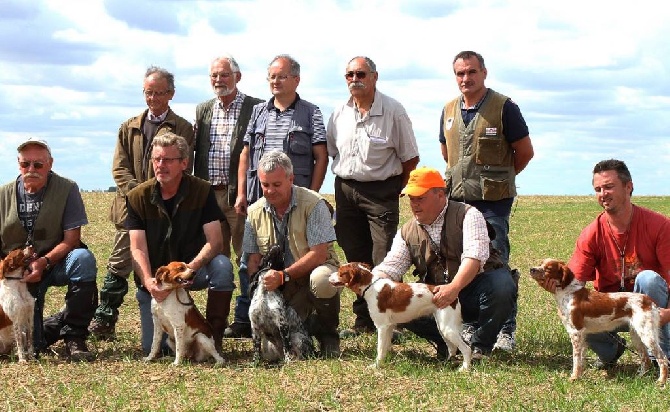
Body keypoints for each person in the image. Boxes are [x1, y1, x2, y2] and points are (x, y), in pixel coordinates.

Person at [89, 66, 195, 340]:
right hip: (131, 208)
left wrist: (157, 195)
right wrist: (140, 195)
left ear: (171, 94)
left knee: (159, 260)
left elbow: (185, 166)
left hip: (168, 207)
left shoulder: (183, 127)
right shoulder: (129, 127)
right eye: (149, 93)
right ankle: (105, 317)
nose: (153, 98)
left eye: (159, 93)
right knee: (119, 262)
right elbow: (119, 168)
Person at [439, 50, 534, 351]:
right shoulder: (449, 110)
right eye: (460, 73)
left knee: (495, 263)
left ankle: (506, 331)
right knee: (461, 262)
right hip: (458, 202)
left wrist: (501, 179)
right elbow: (446, 152)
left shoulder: (504, 107)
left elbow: (525, 151)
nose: (465, 78)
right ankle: (470, 323)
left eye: (471, 72)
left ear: (484, 73)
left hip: (493, 203)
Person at [230, 54, 328, 338]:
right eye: (271, 76)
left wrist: (313, 196)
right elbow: (246, 154)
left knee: (296, 258)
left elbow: (320, 156)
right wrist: (240, 194)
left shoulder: (311, 112)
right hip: (258, 200)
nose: (275, 81)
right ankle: (250, 317)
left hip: (297, 201)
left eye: (281, 76)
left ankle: (305, 320)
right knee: (249, 258)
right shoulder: (258, 111)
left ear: (296, 80)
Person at [372, 166, 515, 358]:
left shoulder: (469, 215)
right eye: (411, 199)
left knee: (502, 285)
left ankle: (481, 346)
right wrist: (369, 283)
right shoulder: (407, 231)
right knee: (398, 302)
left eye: (420, 198)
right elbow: (391, 267)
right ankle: (448, 344)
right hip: (438, 298)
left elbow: (474, 257)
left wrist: (453, 288)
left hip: (474, 291)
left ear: (440, 195)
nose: (414, 205)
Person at [542, 159, 670, 368]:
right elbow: (575, 283)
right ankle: (611, 351)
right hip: (608, 308)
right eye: (598, 189)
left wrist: (668, 313)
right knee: (578, 311)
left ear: (629, 187)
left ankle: (659, 356)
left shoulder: (660, 225)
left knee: (649, 279)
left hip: (648, 307)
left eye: (609, 186)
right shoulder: (591, 233)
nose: (603, 194)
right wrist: (558, 290)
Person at [326, 56, 419, 337]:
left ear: (374, 77)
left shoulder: (393, 111)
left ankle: (396, 323)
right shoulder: (339, 112)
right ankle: (364, 320)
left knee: (385, 258)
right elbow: (333, 151)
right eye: (349, 75)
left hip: (381, 191)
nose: (355, 79)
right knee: (355, 259)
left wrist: (393, 189)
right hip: (345, 190)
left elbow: (410, 158)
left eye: (361, 74)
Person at [125, 133, 234, 355]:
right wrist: (149, 282)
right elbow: (137, 248)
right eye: (156, 159)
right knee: (153, 348)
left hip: (193, 270)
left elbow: (215, 241)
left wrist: (189, 270)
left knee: (222, 266)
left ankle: (214, 336)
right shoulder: (137, 197)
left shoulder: (202, 191)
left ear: (184, 163)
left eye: (167, 160)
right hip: (159, 279)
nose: (160, 165)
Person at [0, 138, 98, 361]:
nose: (31, 169)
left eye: (38, 164)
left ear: (50, 163)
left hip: (54, 263)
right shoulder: (2, 194)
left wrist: (43, 262)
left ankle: (75, 336)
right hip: (14, 275)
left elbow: (72, 239)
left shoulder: (67, 189)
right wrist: (7, 273)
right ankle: (56, 324)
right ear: (18, 164)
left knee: (83, 258)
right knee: (35, 345)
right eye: (26, 164)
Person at [242, 151, 340, 356]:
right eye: (265, 185)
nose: (270, 191)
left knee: (321, 279)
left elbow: (319, 255)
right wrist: (261, 290)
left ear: (291, 179)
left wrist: (283, 276)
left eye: (276, 185)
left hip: (309, 276)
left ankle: (328, 334)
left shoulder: (314, 203)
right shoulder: (253, 212)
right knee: (278, 345)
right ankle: (302, 326)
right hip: (277, 285)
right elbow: (252, 260)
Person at [193, 54, 263, 339]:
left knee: (246, 257)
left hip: (239, 197)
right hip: (209, 196)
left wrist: (246, 191)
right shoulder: (203, 109)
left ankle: (247, 318)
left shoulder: (255, 107)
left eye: (224, 75)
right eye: (214, 76)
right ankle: (217, 323)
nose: (218, 80)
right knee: (216, 260)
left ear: (238, 76)